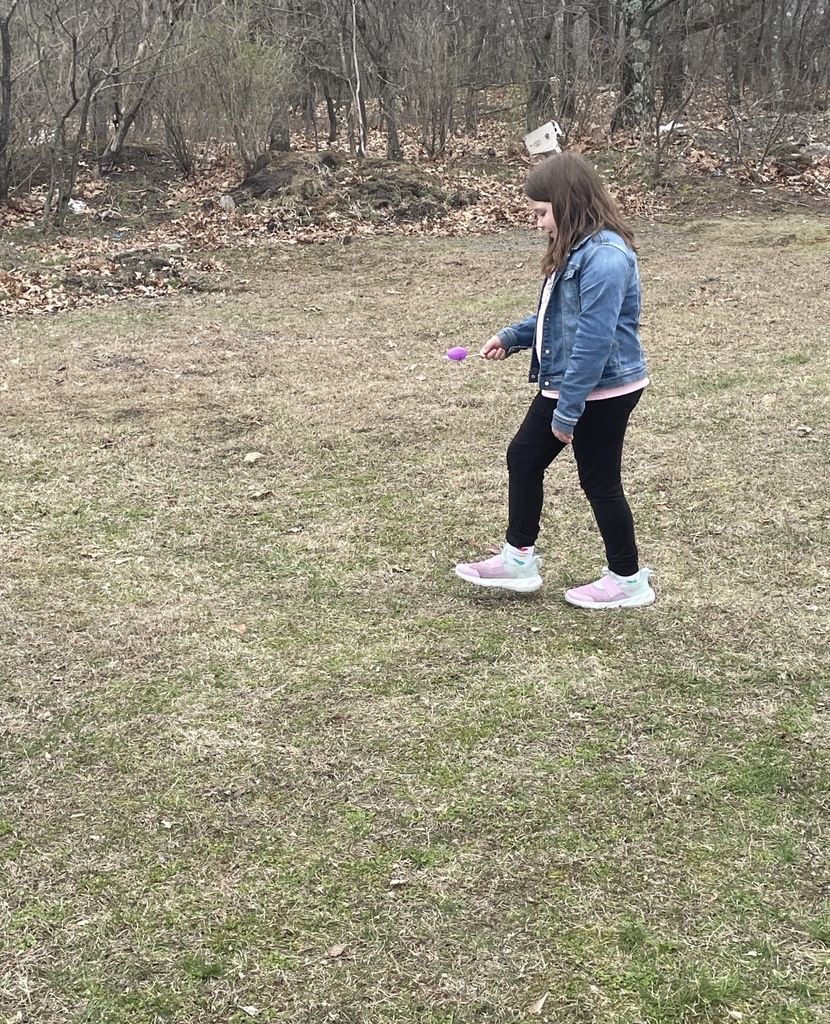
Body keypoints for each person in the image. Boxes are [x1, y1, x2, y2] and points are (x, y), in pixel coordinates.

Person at [454, 151, 655, 609]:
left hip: (599, 388)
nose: (539, 223)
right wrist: (512, 337)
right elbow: (558, 319)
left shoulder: (604, 257)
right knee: (525, 457)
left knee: (599, 481)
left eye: (543, 212)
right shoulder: (578, 248)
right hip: (576, 383)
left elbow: (593, 341)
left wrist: (568, 411)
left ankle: (628, 580)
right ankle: (518, 560)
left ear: (569, 203)